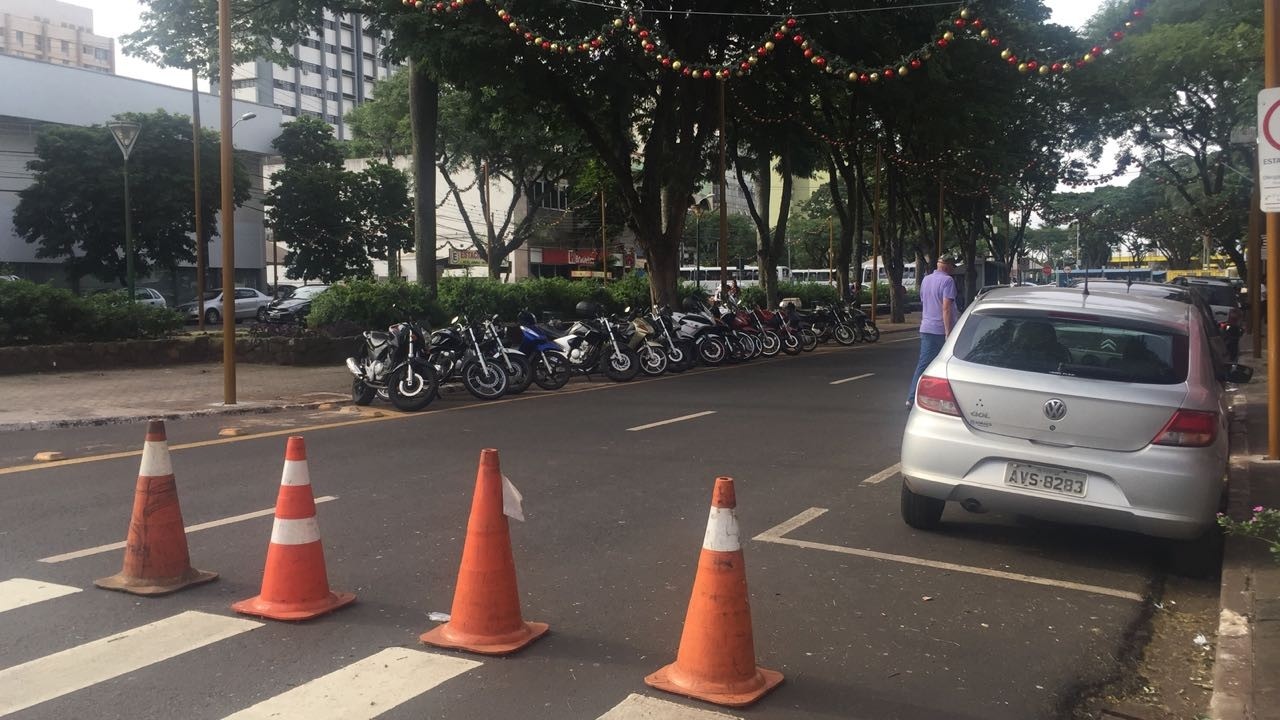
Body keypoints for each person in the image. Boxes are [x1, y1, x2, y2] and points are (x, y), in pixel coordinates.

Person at [906, 254, 957, 408]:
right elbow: (946, 308)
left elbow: (924, 301)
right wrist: (949, 332)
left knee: (926, 363)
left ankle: (919, 397)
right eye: (952, 267)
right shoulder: (948, 281)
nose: (953, 270)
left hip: (926, 326)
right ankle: (913, 397)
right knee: (948, 364)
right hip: (940, 329)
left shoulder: (926, 280)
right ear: (947, 266)